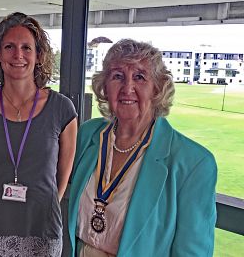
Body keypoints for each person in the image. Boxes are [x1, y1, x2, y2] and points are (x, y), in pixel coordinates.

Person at [68, 39, 217, 256]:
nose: (127, 88)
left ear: (157, 88)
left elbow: (193, 251)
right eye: (117, 76)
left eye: (139, 77)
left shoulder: (193, 162)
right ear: (104, 87)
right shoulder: (88, 135)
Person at [0, 12, 78, 256]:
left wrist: (39, 203)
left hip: (41, 228)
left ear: (38, 56)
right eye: (9, 47)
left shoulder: (62, 109)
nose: (18, 55)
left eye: (27, 47)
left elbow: (61, 179)